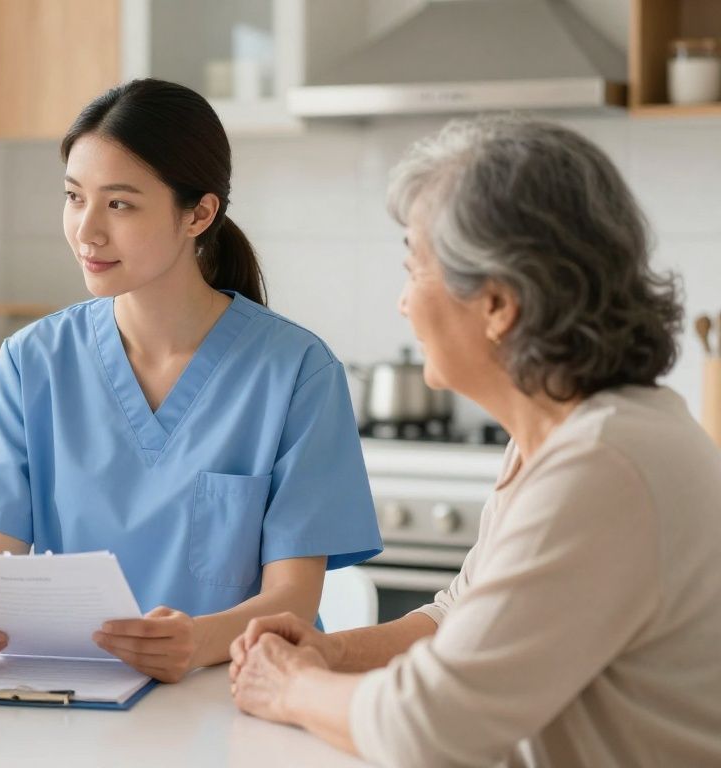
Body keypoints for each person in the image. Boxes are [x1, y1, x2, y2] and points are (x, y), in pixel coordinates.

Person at [229, 115, 721, 767]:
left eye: (413, 268)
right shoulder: (564, 436)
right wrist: (331, 651)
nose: (403, 304)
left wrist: (292, 687)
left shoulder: (603, 467)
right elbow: (457, 618)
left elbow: (424, 728)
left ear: (497, 304)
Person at [0, 79, 382, 683]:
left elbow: (292, 601)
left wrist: (192, 643)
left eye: (119, 204)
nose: (87, 230)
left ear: (198, 213)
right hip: (77, 702)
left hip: (241, 697)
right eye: (73, 197)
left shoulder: (295, 371)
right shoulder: (33, 361)